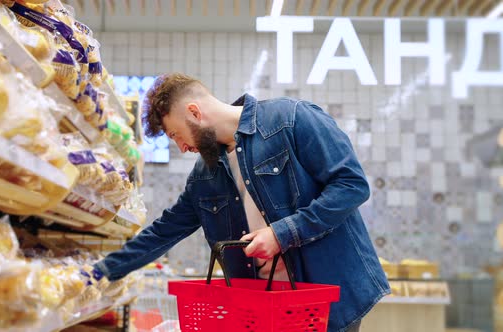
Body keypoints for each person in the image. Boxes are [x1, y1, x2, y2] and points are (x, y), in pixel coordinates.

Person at [94, 73, 390, 332]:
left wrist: (281, 233)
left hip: (324, 300)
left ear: (194, 112)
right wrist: (99, 272)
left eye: (175, 134)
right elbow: (164, 231)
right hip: (260, 305)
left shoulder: (291, 119)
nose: (182, 147)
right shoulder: (204, 175)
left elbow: (351, 185)